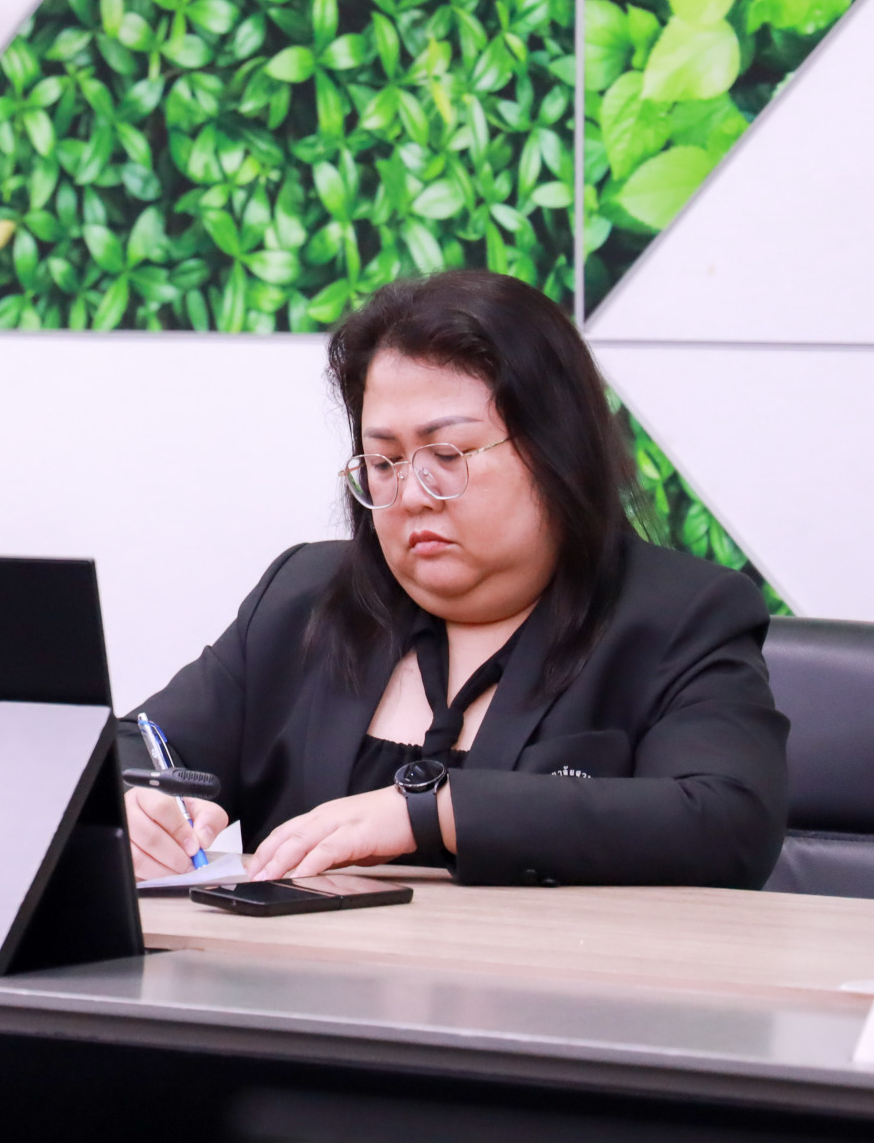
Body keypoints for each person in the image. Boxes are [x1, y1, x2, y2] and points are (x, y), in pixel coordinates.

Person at [123, 270, 788, 888]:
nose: (413, 494)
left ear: (556, 450)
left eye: (449, 454)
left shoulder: (680, 616)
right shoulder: (306, 599)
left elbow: (726, 822)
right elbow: (132, 748)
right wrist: (135, 806)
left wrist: (431, 810)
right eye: (384, 462)